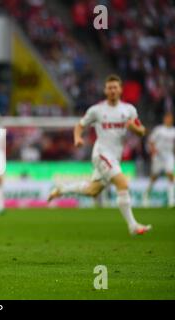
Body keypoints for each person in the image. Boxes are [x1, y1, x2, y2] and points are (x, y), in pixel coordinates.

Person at [48, 74, 152, 236]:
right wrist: (77, 138)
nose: (112, 90)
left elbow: (142, 131)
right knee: (123, 184)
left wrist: (134, 129)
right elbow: (80, 125)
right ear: (105, 90)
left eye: (115, 87)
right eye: (109, 88)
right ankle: (133, 225)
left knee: (93, 190)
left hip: (115, 157)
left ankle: (61, 189)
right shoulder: (97, 110)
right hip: (101, 153)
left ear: (120, 89)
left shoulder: (129, 110)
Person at [143, 113, 175, 208]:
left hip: (169, 156)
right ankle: (146, 193)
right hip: (158, 156)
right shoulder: (159, 130)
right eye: (167, 118)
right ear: (164, 119)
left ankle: (171, 201)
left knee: (171, 175)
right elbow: (150, 140)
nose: (169, 120)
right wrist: (153, 150)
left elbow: (174, 145)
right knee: (154, 177)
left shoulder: (174, 131)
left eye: (171, 119)